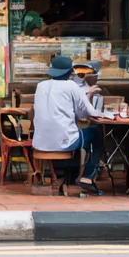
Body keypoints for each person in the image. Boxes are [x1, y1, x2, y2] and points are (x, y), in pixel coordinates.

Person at [31, 54, 107, 196]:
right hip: (64, 142)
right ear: (70, 72)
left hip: (40, 142)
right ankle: (88, 176)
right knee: (96, 133)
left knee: (77, 133)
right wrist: (89, 95)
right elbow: (86, 113)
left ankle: (68, 176)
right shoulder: (72, 86)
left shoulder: (40, 86)